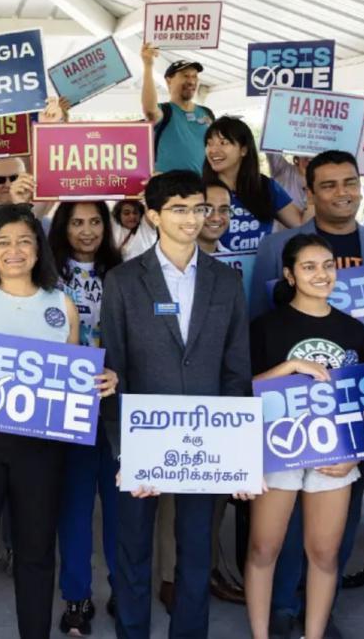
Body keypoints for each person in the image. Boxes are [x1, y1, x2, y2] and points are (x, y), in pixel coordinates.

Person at [0, 203, 117, 639]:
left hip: (41, 447)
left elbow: (76, 372)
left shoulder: (61, 304)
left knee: (36, 552)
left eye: (25, 241)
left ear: (38, 249)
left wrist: (104, 378)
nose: (14, 250)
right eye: (4, 242)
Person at [100, 170, 255, 639]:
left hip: (207, 442)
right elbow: (114, 368)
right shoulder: (123, 281)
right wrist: (124, 451)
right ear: (153, 215)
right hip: (143, 440)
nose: (193, 218)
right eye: (180, 209)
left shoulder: (226, 280)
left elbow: (236, 369)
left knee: (196, 552)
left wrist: (236, 452)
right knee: (133, 551)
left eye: (199, 208)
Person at [245, 234, 364, 639]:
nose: (321, 274)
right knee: (264, 548)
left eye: (328, 266)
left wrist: (354, 454)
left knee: (324, 553)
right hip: (277, 451)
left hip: (334, 454)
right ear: (289, 274)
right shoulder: (266, 327)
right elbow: (243, 392)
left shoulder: (354, 330)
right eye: (309, 266)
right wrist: (288, 367)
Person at [47, 200, 121, 636]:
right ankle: (76, 596)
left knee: (119, 506)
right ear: (63, 227)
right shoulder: (46, 276)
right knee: (74, 508)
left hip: (114, 404)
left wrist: (121, 374)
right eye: (77, 222)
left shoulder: (124, 273)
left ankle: (123, 589)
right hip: (65, 408)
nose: (88, 230)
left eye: (96, 221)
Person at [251, 150, 364, 317]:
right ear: (310, 195)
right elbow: (258, 319)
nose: (342, 192)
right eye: (329, 186)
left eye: (350, 183)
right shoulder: (275, 248)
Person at [202, 116, 303, 254]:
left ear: (243, 150)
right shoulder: (199, 190)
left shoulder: (266, 187)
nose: (213, 150)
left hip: (263, 266)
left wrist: (312, 194)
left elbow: (301, 225)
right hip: (216, 267)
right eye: (209, 144)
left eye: (223, 143)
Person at [140, 47, 214, 174]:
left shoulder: (206, 113)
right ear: (169, 80)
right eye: (185, 76)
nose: (191, 81)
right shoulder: (165, 111)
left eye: (195, 76)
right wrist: (148, 65)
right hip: (169, 184)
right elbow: (150, 110)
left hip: (201, 184)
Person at [198, 178, 232, 255]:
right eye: (206, 209)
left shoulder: (231, 258)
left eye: (223, 210)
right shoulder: (172, 259)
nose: (216, 218)